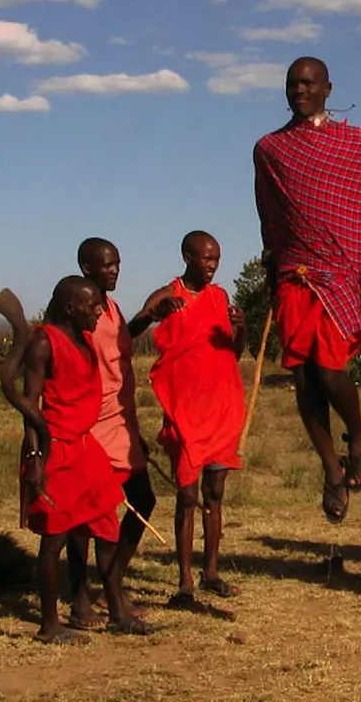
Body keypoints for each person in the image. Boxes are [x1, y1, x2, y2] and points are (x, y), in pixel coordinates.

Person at [254, 56, 361, 523]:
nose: (299, 90)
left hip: (344, 272)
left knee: (331, 371)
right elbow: (268, 214)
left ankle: (360, 436)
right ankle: (331, 468)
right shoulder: (270, 149)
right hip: (295, 274)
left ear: (328, 89)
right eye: (292, 83)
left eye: (309, 83)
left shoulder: (353, 141)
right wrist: (272, 265)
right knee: (304, 377)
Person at [15, 276, 132, 642]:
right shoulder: (42, 343)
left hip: (85, 447)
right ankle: (49, 624)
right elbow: (30, 406)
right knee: (55, 539)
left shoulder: (84, 338)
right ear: (69, 308)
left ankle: (116, 608)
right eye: (91, 305)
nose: (99, 310)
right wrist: (35, 458)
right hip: (55, 449)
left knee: (108, 523)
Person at [143, 231, 248, 606]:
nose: (212, 265)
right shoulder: (167, 295)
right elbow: (131, 331)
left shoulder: (220, 298)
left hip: (221, 407)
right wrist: (153, 314)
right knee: (187, 496)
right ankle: (185, 581)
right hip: (185, 410)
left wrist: (242, 327)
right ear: (187, 256)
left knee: (214, 495)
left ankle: (212, 573)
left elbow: (234, 353)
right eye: (206, 258)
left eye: (216, 258)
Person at [63, 237, 159, 625]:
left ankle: (111, 582)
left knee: (143, 500)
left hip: (121, 420)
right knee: (88, 515)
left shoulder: (111, 307)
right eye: (106, 265)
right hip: (93, 424)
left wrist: (146, 317)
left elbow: (118, 346)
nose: (115, 270)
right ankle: (83, 599)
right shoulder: (82, 311)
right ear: (87, 268)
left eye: (117, 264)